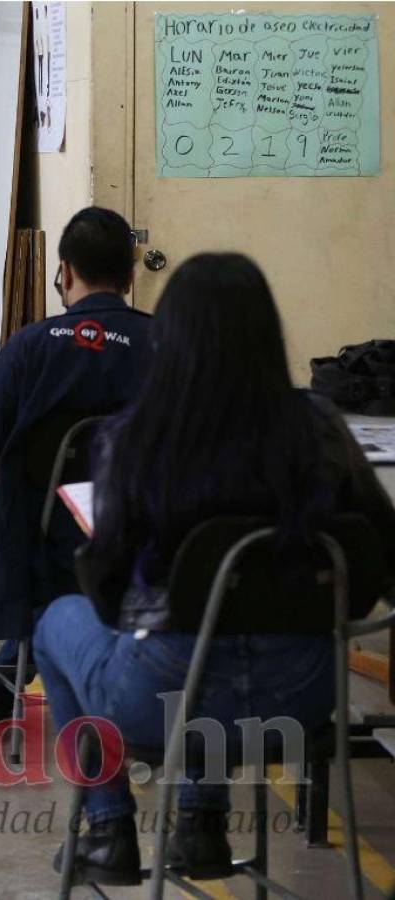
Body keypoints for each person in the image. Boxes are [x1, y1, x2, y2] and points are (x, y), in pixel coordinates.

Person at [34, 253, 395, 884]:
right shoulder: (319, 426)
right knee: (224, 622)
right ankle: (200, 827)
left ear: (169, 335)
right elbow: (383, 553)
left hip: (165, 702)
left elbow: (110, 594)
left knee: (58, 621)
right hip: (304, 698)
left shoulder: (135, 435)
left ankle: (109, 829)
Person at [0, 208, 152, 741]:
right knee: (61, 568)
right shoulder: (162, 345)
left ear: (64, 272)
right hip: (129, 535)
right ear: (131, 275)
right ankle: (10, 674)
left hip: (31, 529)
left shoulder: (30, 345)